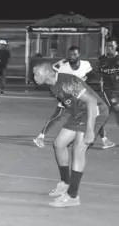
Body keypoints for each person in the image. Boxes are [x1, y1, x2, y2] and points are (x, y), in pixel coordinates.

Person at [33, 62, 109, 208]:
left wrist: (90, 130)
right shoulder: (53, 86)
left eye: (37, 74)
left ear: (47, 72)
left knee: (78, 150)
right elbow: (68, 104)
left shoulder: (67, 82)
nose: (34, 77)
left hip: (94, 111)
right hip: (79, 114)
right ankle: (65, 183)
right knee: (59, 144)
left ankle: (73, 195)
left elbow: (92, 101)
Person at [34, 46, 115, 149]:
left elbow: (92, 75)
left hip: (80, 95)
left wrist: (85, 78)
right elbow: (57, 80)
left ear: (79, 55)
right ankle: (41, 136)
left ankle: (103, 139)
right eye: (70, 54)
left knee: (93, 113)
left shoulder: (85, 64)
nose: (72, 56)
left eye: (75, 54)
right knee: (56, 116)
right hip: (67, 97)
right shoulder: (64, 67)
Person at [95, 37, 119, 131]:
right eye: (107, 47)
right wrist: (99, 80)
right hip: (108, 90)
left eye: (111, 46)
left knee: (104, 113)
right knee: (116, 108)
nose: (109, 48)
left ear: (116, 46)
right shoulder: (102, 60)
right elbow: (97, 73)